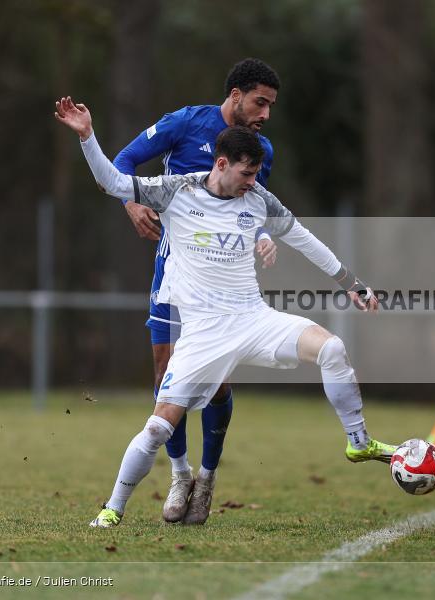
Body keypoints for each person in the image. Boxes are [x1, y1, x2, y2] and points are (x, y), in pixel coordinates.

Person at [53, 96, 397, 529]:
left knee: (332, 348)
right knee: (158, 429)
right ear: (221, 164)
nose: (252, 183)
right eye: (246, 174)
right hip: (202, 336)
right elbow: (113, 181)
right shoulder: (176, 190)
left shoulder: (258, 200)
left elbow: (304, 239)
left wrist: (352, 284)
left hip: (253, 320)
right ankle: (113, 508)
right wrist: (87, 136)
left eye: (256, 174)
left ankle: (358, 442)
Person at [113, 58, 280, 524]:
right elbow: (123, 162)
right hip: (172, 267)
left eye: (270, 105)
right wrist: (132, 204)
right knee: (167, 373)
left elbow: (256, 210)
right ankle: (179, 473)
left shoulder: (261, 149)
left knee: (215, 379)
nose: (265, 114)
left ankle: (207, 478)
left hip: (222, 280)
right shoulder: (186, 123)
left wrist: (263, 236)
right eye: (259, 102)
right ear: (235, 95)